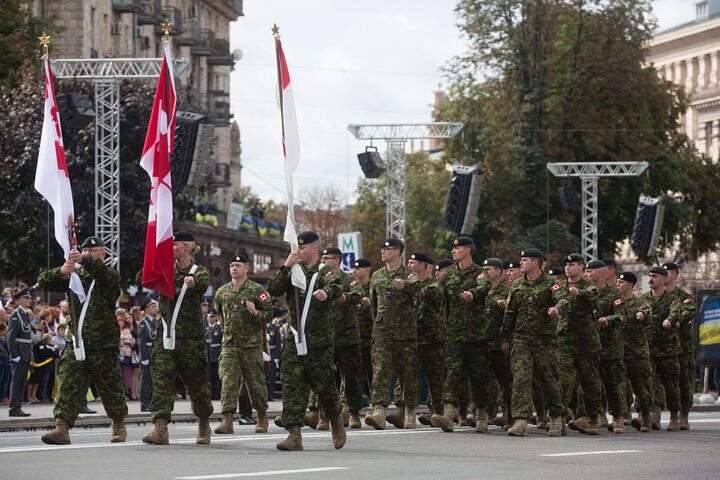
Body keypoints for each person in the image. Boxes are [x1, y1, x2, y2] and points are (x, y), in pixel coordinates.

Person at [37, 236, 127, 444]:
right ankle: (62, 428)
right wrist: (63, 270)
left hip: (102, 343)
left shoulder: (108, 275)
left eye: (92, 251)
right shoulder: (74, 276)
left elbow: (102, 273)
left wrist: (83, 260)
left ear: (102, 254)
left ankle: (118, 423)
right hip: (76, 341)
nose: (87, 254)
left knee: (110, 386)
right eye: (84, 251)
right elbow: (44, 280)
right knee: (69, 384)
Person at [267, 231, 347, 451]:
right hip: (294, 338)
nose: (298, 251)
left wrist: (326, 292)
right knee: (292, 386)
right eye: (296, 248)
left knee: (324, 386)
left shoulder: (326, 271)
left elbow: (338, 284)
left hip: (318, 341)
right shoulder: (294, 271)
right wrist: (285, 266)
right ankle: (294, 435)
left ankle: (335, 419)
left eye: (302, 248)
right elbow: (273, 289)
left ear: (314, 248)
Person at [141, 231, 214, 445]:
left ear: (187, 247)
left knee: (196, 383)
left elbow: (201, 282)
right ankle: (160, 428)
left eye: (175, 245)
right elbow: (142, 278)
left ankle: (203, 422)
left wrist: (191, 282)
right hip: (165, 336)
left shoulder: (198, 271)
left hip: (190, 338)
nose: (171, 248)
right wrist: (155, 262)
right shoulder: (165, 269)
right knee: (162, 380)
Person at [501, 248, 564, 437]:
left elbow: (563, 299)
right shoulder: (518, 285)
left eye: (525, 260)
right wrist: (505, 338)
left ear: (536, 262)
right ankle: (520, 420)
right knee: (520, 379)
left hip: (544, 341)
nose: (521, 263)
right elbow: (510, 313)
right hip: (521, 340)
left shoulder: (551, 284)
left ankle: (555, 417)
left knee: (548, 379)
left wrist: (556, 309)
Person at [431, 237, 491, 433]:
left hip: (477, 335)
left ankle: (481, 414)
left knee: (478, 376)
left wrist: (472, 293)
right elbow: (441, 303)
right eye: (453, 248)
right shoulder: (448, 276)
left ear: (468, 250)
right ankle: (448, 413)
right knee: (452, 373)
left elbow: (485, 288)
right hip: (455, 335)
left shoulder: (479, 273)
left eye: (458, 248)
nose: (454, 251)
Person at [213, 254, 272, 435]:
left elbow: (269, 315)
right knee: (228, 382)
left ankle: (262, 417)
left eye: (238, 265)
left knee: (255, 383)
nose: (234, 269)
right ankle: (227, 419)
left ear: (246, 268)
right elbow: (220, 314)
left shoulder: (257, 291)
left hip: (251, 346)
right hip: (230, 345)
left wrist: (255, 313)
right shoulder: (222, 292)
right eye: (231, 266)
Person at [364, 238, 420, 430]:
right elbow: (373, 305)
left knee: (408, 374)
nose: (382, 252)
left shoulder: (409, 274)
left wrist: (405, 285)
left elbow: (418, 290)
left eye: (387, 249)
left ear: (397, 252)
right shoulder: (377, 275)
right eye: (382, 249)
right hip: (382, 332)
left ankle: (409, 410)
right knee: (380, 371)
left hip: (405, 333)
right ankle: (378, 409)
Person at [553, 254, 603, 436]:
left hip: (586, 343)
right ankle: (559, 419)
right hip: (565, 342)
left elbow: (591, 295)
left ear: (582, 267)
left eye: (572, 264)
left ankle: (592, 419)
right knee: (563, 382)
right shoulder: (559, 287)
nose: (568, 268)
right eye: (566, 264)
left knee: (590, 383)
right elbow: (558, 299)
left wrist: (578, 293)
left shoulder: (589, 287)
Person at [321, 247, 364, 429]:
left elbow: (357, 294)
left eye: (327, 258)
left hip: (347, 337)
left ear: (337, 260)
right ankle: (325, 415)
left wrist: (343, 297)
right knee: (326, 379)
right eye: (322, 258)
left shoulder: (348, 279)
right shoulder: (318, 280)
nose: (323, 261)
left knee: (352, 377)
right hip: (325, 337)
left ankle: (353, 412)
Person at [611, 272, 653, 432]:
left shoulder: (640, 303)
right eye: (618, 282)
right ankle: (619, 419)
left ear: (630, 285)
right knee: (619, 387)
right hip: (619, 353)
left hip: (637, 353)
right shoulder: (615, 303)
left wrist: (642, 315)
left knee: (641, 387)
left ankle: (646, 418)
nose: (618, 285)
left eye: (621, 282)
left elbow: (647, 312)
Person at [640, 266, 682, 431]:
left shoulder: (672, 300)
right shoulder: (644, 299)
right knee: (649, 384)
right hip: (648, 350)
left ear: (663, 279)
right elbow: (640, 310)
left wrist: (669, 321)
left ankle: (674, 416)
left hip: (668, 351)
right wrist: (640, 315)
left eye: (655, 276)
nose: (650, 279)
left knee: (670, 384)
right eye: (649, 276)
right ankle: (652, 416)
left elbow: (675, 312)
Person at [407, 253, 445, 427]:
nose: (408, 264)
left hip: (432, 339)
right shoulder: (408, 284)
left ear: (423, 266)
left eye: (412, 262)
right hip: (412, 337)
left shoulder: (434, 286)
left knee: (435, 377)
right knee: (409, 377)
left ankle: (437, 411)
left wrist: (420, 289)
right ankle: (408, 411)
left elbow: (436, 297)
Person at [662, 262, 696, 430]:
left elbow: (689, 310)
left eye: (666, 272)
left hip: (682, 347)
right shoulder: (656, 297)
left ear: (674, 275)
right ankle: (670, 415)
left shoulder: (684, 296)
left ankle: (683, 415)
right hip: (662, 347)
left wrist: (676, 319)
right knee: (668, 382)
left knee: (684, 381)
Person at [481, 258, 513, 429]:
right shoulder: (481, 291)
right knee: (482, 380)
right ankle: (485, 412)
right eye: (484, 269)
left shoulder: (506, 291)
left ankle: (509, 414)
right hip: (482, 342)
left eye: (489, 269)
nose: (485, 272)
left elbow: (510, 318)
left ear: (499, 272)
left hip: (499, 344)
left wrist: (506, 340)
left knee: (506, 381)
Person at [7, 288, 34, 417]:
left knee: (22, 381)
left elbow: (28, 337)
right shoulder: (15, 315)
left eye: (29, 298)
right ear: (19, 300)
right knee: (16, 382)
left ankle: (18, 407)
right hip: (19, 354)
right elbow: (11, 338)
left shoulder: (24, 314)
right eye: (26, 298)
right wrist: (14, 355)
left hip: (25, 353)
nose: (29, 300)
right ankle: (13, 408)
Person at [351, 259, 373, 405]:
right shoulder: (351, 287)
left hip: (371, 335)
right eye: (354, 268)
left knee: (372, 369)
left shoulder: (374, 287)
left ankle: (375, 399)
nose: (354, 271)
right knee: (356, 369)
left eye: (358, 269)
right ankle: (359, 398)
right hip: (355, 335)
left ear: (367, 270)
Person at [137, 298, 158, 412]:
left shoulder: (154, 321)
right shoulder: (143, 323)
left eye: (155, 306)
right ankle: (144, 403)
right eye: (152, 307)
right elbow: (141, 342)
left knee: (152, 380)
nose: (155, 309)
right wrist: (144, 357)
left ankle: (150, 401)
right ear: (146, 310)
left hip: (154, 354)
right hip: (147, 354)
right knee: (145, 380)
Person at [32, 333, 58, 403]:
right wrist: (55, 349)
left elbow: (56, 353)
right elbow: (52, 353)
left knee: (45, 383)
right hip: (43, 368)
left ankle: (44, 396)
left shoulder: (49, 346)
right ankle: (42, 396)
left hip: (48, 368)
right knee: (43, 383)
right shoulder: (44, 346)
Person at [205, 309, 223, 401]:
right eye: (209, 317)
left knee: (217, 377)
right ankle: (210, 394)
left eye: (212, 317)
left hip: (217, 356)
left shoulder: (219, 329)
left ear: (216, 318)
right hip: (208, 357)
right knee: (209, 377)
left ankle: (217, 395)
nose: (210, 319)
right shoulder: (205, 329)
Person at [118, 313, 136, 399]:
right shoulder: (117, 331)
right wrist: (124, 340)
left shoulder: (127, 330)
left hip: (128, 354)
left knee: (127, 373)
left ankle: (128, 390)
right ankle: (122, 390)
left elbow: (133, 340)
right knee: (120, 372)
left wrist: (130, 342)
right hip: (120, 354)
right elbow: (118, 341)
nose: (120, 323)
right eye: (118, 321)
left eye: (121, 321)